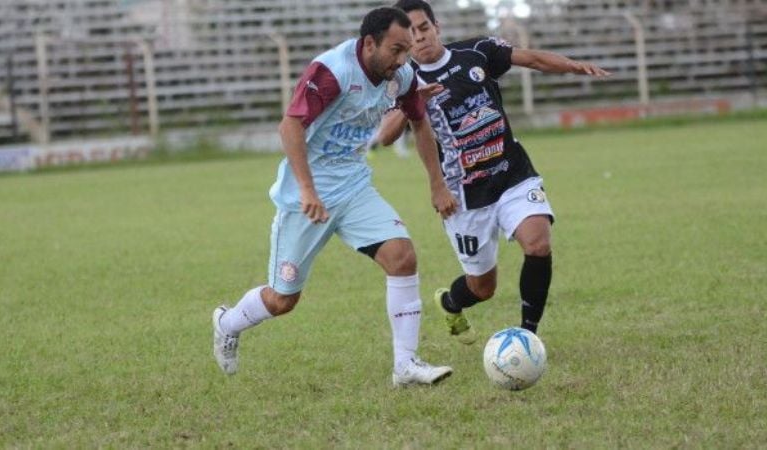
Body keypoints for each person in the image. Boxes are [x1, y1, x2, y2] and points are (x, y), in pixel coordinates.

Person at [212, 7, 459, 387]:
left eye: (406, 51)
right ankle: (227, 322)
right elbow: (290, 126)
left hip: (355, 186)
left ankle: (405, 366)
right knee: (283, 300)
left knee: (402, 256)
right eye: (395, 50)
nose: (402, 60)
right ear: (369, 43)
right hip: (306, 199)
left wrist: (437, 183)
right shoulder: (332, 71)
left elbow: (418, 119)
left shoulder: (401, 75)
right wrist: (308, 189)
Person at [378, 0, 610, 343]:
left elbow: (530, 58)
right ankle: (449, 302)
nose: (420, 38)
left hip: (511, 172)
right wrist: (415, 104)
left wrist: (573, 67)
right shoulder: (404, 82)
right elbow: (386, 135)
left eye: (424, 28)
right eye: (411, 34)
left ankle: (527, 336)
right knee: (482, 287)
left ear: (436, 26)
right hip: (463, 196)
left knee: (538, 243)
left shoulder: (477, 51)